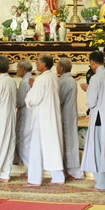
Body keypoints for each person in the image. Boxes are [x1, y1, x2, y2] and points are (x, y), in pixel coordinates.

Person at [25, 54, 65, 186]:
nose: (36, 64)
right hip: (51, 116)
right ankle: (58, 177)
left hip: (41, 117)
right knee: (52, 145)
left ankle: (34, 179)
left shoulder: (41, 79)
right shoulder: (54, 77)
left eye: (38, 62)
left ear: (44, 65)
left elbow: (35, 99)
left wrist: (30, 92)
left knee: (36, 148)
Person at [80, 51, 105, 190]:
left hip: (98, 118)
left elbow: (91, 102)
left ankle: (101, 182)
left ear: (93, 63)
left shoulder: (96, 78)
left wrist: (87, 90)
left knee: (98, 150)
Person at [57, 57, 83, 180]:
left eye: (58, 66)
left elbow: (59, 99)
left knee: (67, 142)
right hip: (70, 113)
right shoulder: (70, 80)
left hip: (66, 115)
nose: (56, 68)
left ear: (62, 68)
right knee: (69, 141)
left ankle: (71, 170)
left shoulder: (65, 81)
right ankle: (69, 169)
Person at [14, 60, 33, 170]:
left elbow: (20, 102)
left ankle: (30, 168)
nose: (16, 70)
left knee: (21, 141)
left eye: (17, 68)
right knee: (27, 141)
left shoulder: (24, 82)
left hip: (25, 115)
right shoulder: (31, 80)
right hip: (30, 114)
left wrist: (15, 94)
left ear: (22, 69)